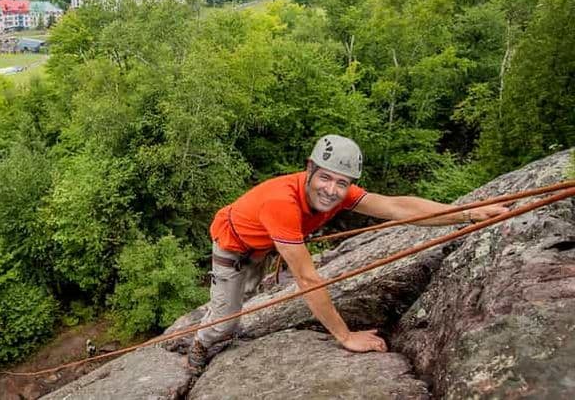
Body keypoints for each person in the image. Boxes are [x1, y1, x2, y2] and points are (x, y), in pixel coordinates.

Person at [187, 134, 509, 371]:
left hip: (261, 244)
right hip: (233, 245)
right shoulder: (281, 204)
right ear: (309, 169)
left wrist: (467, 212)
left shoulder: (340, 192)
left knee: (242, 297)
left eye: (342, 183)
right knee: (227, 322)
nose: (332, 190)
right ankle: (199, 345)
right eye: (325, 177)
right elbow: (306, 278)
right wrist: (345, 336)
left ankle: (223, 315)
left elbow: (397, 206)